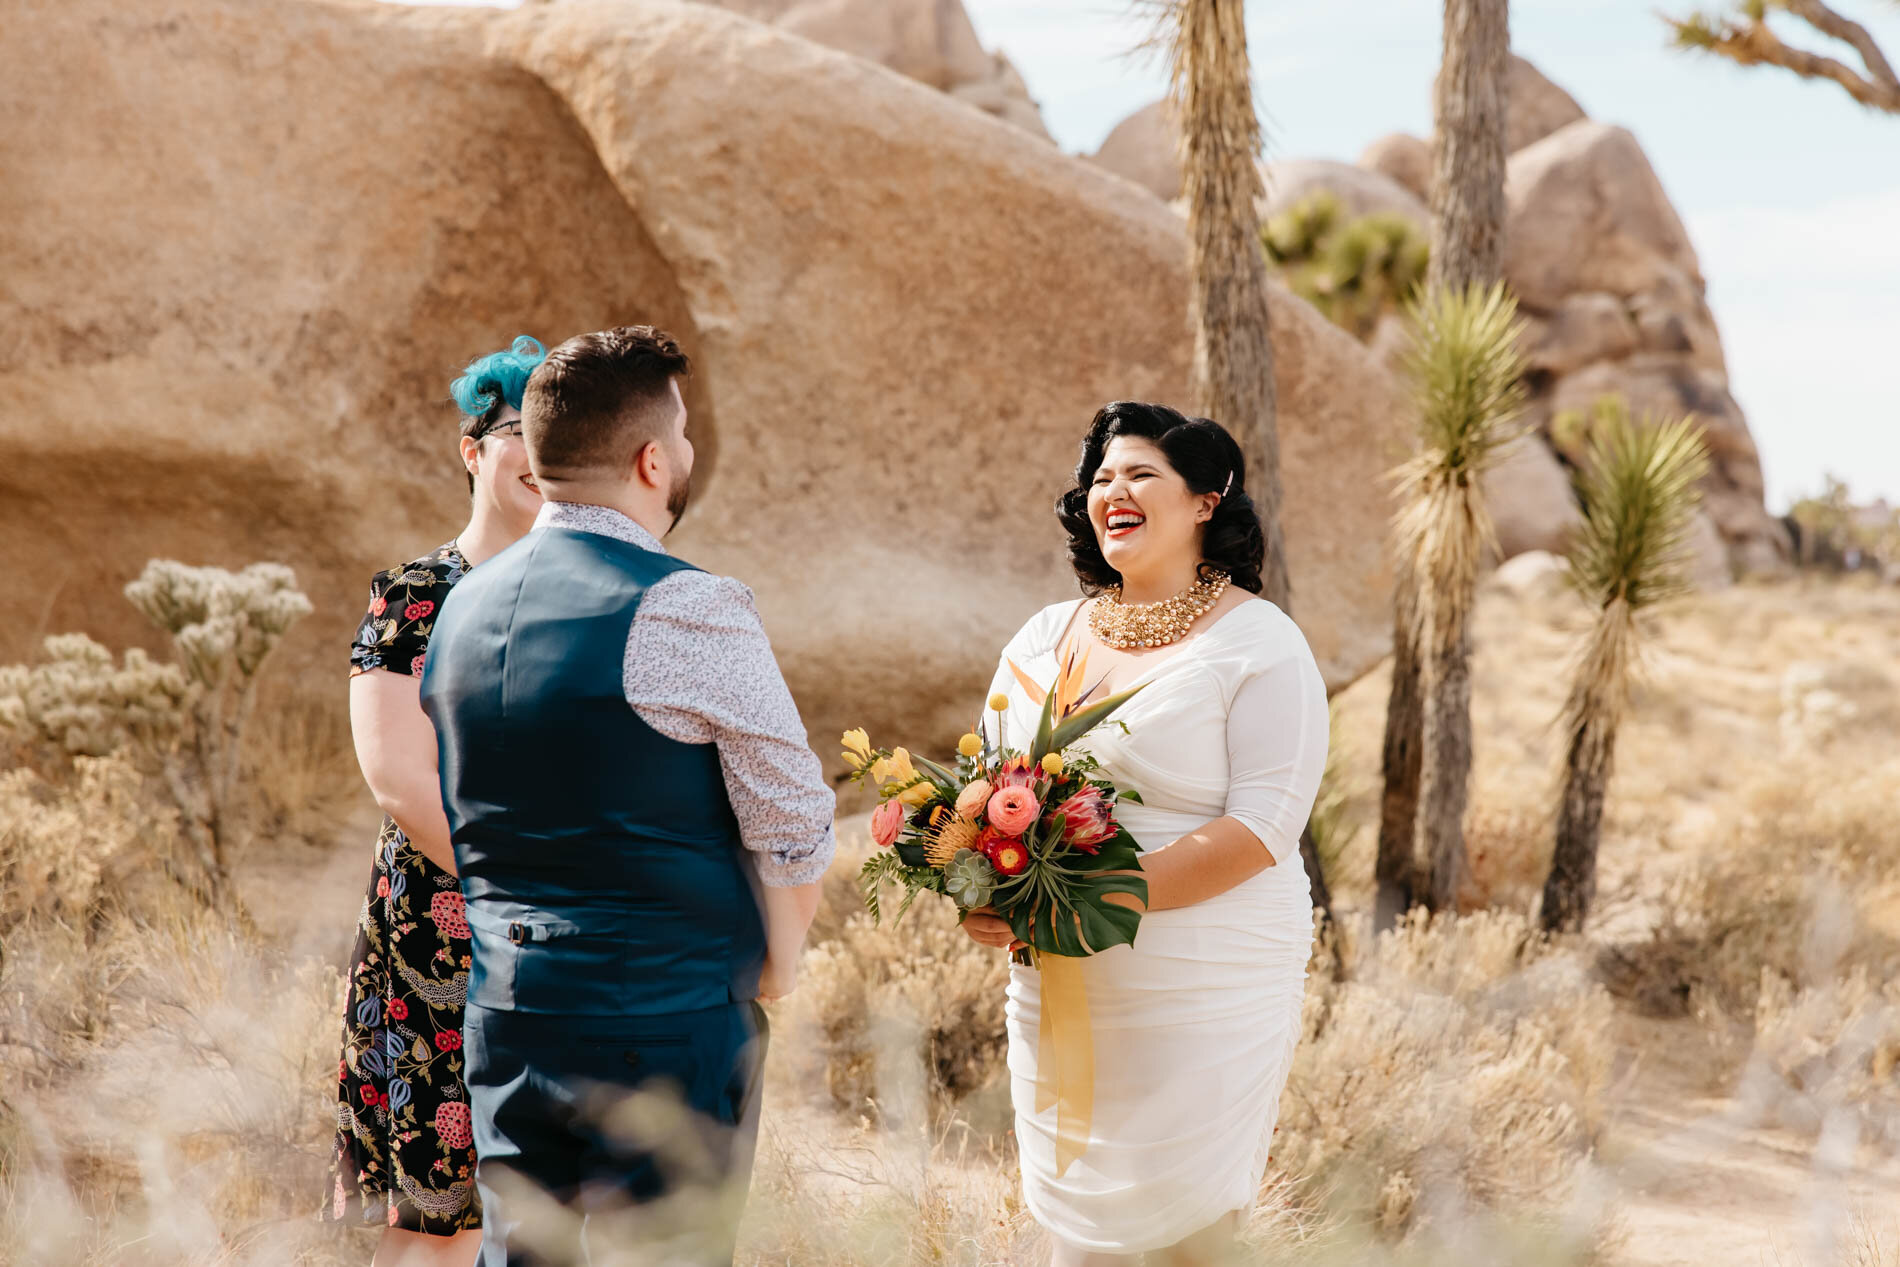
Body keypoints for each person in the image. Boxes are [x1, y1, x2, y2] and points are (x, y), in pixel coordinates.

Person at [417, 325, 835, 1267]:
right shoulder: (691, 603)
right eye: (681, 436)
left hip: (507, 1010)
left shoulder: (461, 604)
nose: (686, 454)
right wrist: (782, 958)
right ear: (653, 458)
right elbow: (793, 819)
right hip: (664, 1016)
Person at [962, 401, 1329, 1266]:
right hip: (1060, 976)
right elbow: (990, 787)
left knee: (1188, 1227)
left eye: (1139, 474)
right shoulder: (1044, 635)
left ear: (1206, 500)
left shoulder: (1261, 643)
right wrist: (983, 888)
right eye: (1099, 479)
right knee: (1073, 1220)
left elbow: (1264, 826)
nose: (1113, 491)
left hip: (1207, 974)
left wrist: (1097, 897)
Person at [327, 336, 550, 1263]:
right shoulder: (413, 596)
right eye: (514, 431)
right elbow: (397, 779)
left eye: (554, 432)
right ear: (472, 450)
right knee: (434, 1221)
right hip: (440, 930)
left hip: (560, 938)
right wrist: (530, 880)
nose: (537, 452)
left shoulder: (582, 597)